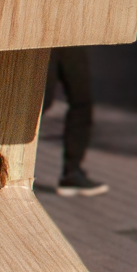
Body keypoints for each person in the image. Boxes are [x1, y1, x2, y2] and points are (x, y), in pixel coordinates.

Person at [42, 48, 103, 196]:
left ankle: (73, 173)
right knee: (40, 102)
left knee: (81, 101)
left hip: (72, 37)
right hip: (44, 40)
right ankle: (6, 167)